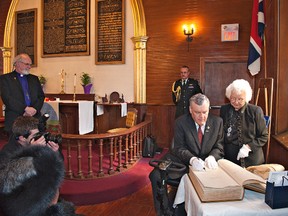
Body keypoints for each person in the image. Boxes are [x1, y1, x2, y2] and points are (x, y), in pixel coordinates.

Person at [149, 93, 224, 216]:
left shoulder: (218, 122)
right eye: (197, 112)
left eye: (205, 112)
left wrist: (212, 157)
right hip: (183, 160)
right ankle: (165, 211)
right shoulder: (181, 122)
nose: (202, 116)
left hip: (207, 164)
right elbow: (178, 148)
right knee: (156, 175)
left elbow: (219, 147)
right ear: (190, 110)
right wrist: (192, 159)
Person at [0, 116, 79, 216]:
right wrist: (31, 151)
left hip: (42, 194)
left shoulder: (37, 144)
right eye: (35, 135)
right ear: (22, 138)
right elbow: (9, 182)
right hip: (22, 202)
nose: (39, 137)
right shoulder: (7, 152)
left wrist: (54, 152)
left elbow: (57, 167)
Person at [220, 79, 268, 168]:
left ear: (246, 98)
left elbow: (264, 136)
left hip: (252, 161)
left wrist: (248, 147)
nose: (236, 102)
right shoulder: (224, 109)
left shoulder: (255, 111)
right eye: (233, 98)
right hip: (230, 160)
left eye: (240, 99)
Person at [0, 53, 45, 135]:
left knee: (36, 144)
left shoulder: (34, 79)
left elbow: (41, 96)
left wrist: (34, 109)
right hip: (15, 117)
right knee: (16, 146)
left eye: (30, 64)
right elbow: (7, 98)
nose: (29, 67)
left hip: (34, 117)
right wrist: (24, 109)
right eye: (27, 64)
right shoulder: (5, 79)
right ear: (17, 63)